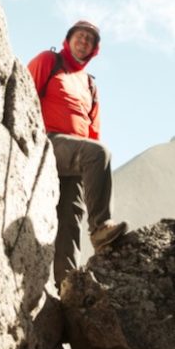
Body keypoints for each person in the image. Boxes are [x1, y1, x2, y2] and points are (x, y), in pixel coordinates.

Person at [28, 20, 128, 284]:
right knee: (99, 153)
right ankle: (100, 228)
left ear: (94, 50)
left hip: (75, 154)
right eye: (80, 36)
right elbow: (24, 96)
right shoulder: (49, 61)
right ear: (68, 39)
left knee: (70, 219)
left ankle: (66, 285)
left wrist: (91, 171)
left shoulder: (90, 85)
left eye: (89, 40)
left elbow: (93, 132)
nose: (83, 42)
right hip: (48, 141)